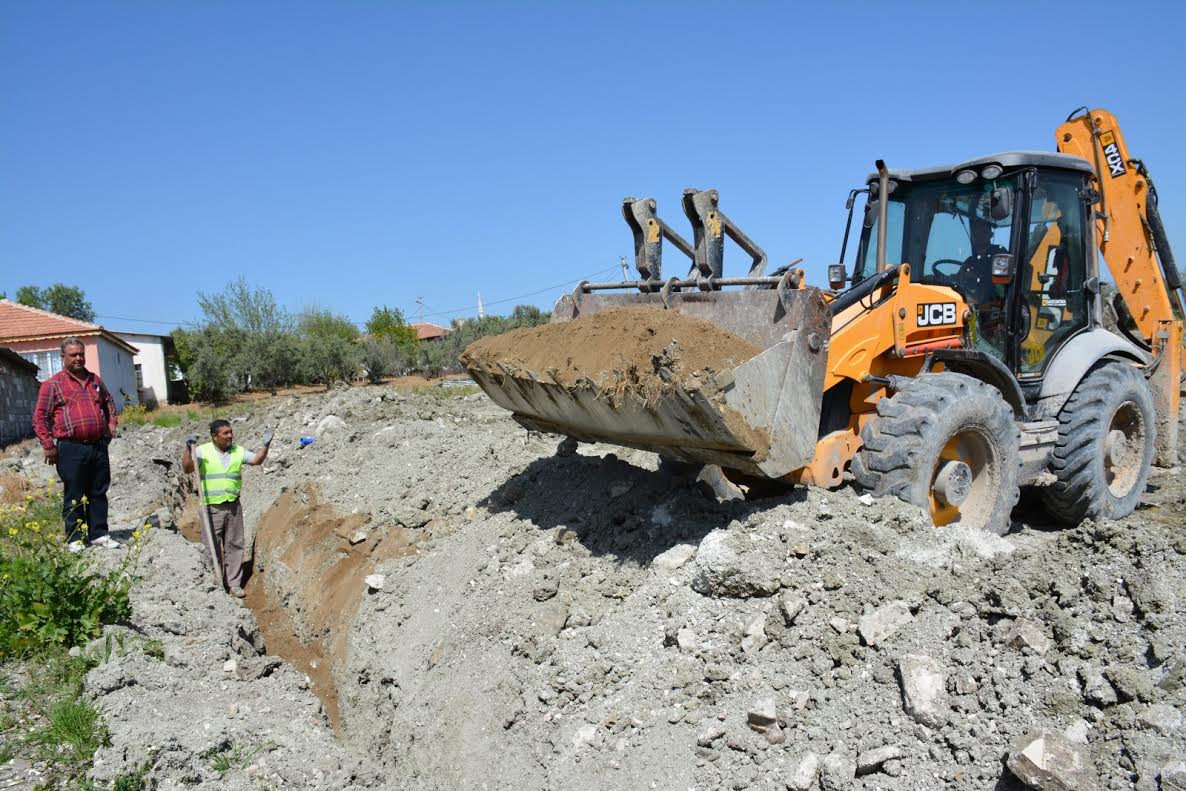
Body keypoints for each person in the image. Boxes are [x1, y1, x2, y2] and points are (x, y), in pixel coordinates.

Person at [32, 337, 120, 549]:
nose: (79, 358)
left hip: (98, 446)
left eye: (81, 354)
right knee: (74, 493)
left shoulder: (95, 380)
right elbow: (40, 417)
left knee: (98, 491)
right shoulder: (52, 385)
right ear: (63, 357)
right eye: (73, 355)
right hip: (71, 448)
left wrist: (110, 426)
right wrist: (48, 444)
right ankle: (75, 538)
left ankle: (99, 533)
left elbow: (109, 404)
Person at [181, 419, 272, 598]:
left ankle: (234, 584)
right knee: (212, 548)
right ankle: (215, 583)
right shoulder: (202, 451)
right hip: (211, 508)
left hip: (233, 507)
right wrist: (187, 448)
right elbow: (187, 468)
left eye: (230, 432)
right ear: (214, 437)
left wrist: (265, 445)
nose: (230, 436)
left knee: (234, 545)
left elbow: (256, 460)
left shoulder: (238, 451)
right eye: (225, 433)